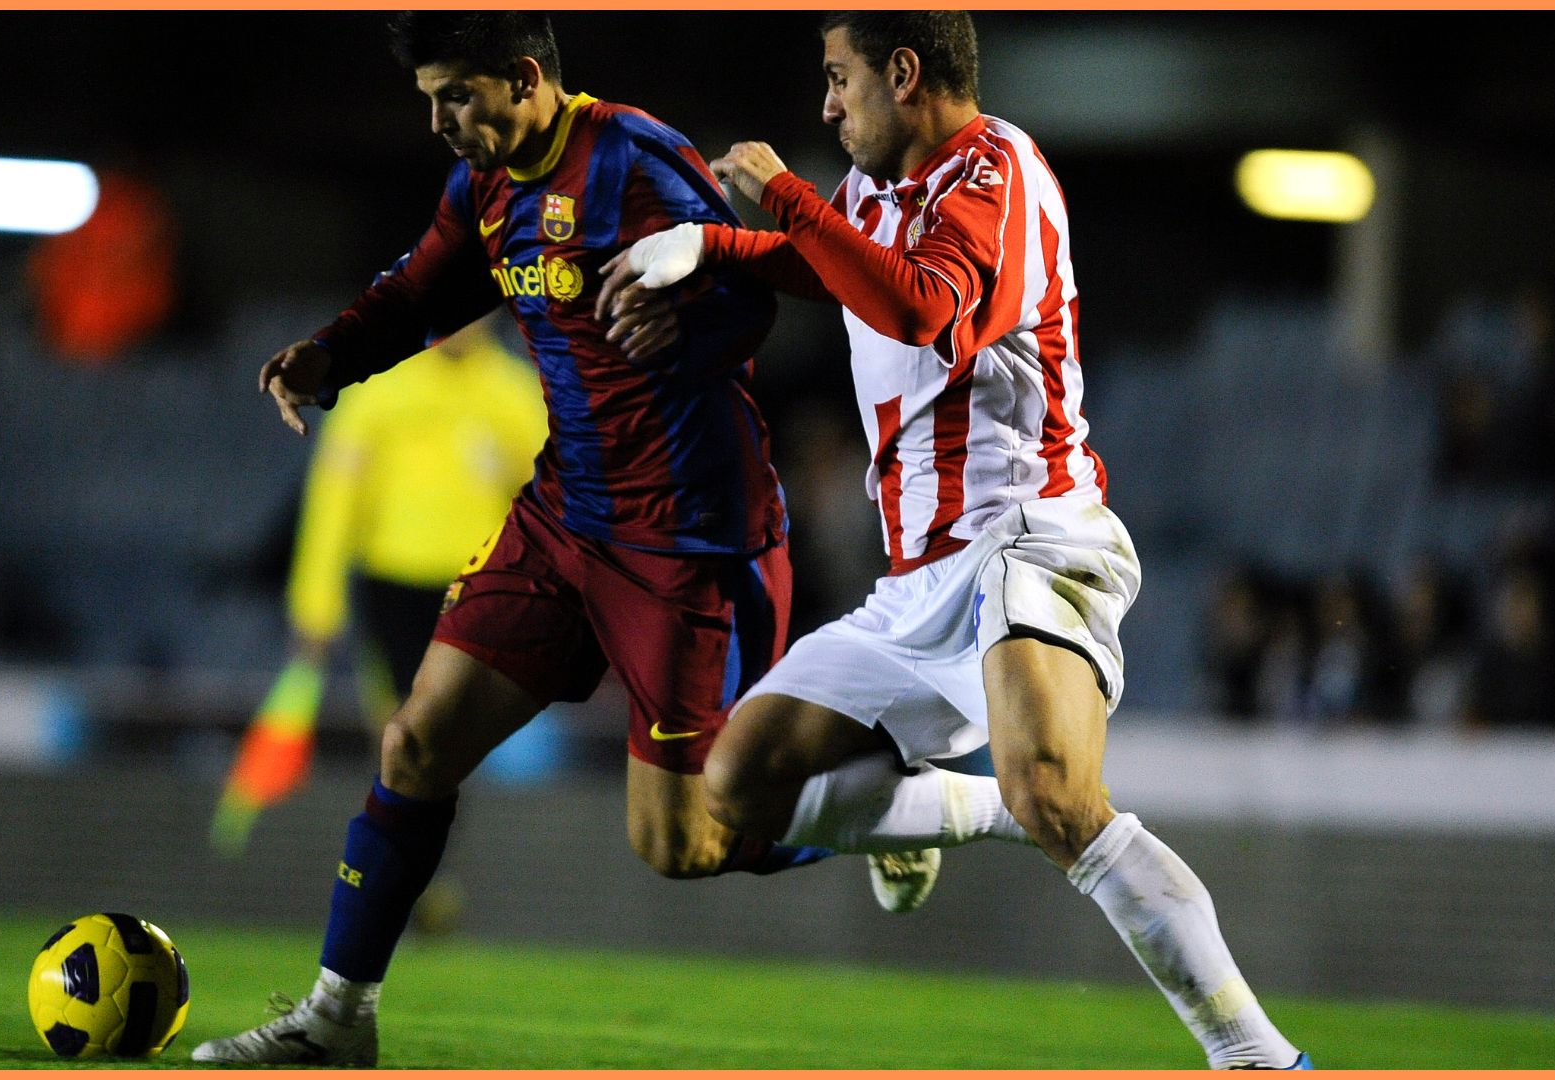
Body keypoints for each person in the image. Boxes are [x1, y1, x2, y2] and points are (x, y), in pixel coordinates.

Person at [601, 11, 1310, 1070]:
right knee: (742, 781)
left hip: (1031, 535)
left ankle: (1256, 1055)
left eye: (839, 80)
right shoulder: (875, 195)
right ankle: (983, 811)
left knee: (1060, 791)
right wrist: (713, 249)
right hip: (919, 574)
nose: (828, 104)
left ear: (903, 72)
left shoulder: (997, 171)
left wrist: (779, 196)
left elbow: (925, 308)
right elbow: (833, 269)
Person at [196, 13, 849, 1066]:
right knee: (414, 744)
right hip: (563, 520)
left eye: (456, 96)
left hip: (682, 538)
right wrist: (328, 357)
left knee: (678, 845)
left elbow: (760, 290)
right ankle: (337, 1019)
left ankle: (880, 811)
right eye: (429, 101)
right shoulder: (486, 185)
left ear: (527, 79)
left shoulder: (633, 159)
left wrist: (691, 321)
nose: (441, 121)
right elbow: (422, 291)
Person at [210, 320, 548, 856]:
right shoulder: (382, 390)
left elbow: (557, 495)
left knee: (445, 741)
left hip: (479, 592)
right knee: (404, 739)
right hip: (392, 589)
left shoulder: (517, 393)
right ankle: (419, 870)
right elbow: (335, 501)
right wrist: (316, 608)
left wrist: (510, 469)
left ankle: (425, 865)